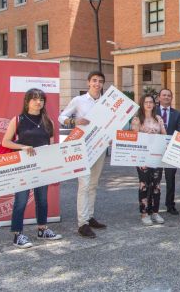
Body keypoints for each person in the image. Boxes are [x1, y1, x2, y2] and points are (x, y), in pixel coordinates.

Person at [2, 88, 62, 248]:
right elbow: (5, 142)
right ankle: (17, 234)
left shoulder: (48, 121)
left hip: (42, 167)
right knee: (21, 201)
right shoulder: (18, 119)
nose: (38, 102)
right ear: (27, 101)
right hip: (23, 167)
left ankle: (42, 229)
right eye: (35, 99)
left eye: (41, 99)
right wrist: (22, 147)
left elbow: (52, 145)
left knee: (42, 199)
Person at [59, 71, 108, 238]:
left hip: (99, 147)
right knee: (84, 184)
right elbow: (61, 117)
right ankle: (82, 223)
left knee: (93, 184)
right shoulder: (78, 101)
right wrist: (74, 121)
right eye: (94, 81)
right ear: (88, 82)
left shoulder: (105, 102)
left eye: (100, 81)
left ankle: (90, 216)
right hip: (82, 148)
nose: (97, 84)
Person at [131, 94, 167, 226]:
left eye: (151, 102)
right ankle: (144, 213)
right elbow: (134, 139)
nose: (149, 104)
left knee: (156, 185)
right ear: (142, 104)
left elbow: (164, 135)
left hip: (157, 157)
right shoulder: (137, 119)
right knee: (144, 184)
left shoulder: (158, 118)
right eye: (146, 102)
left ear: (154, 104)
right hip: (143, 158)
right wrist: (146, 135)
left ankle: (155, 212)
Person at [156, 88, 180, 215]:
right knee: (154, 179)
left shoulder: (177, 114)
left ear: (171, 98)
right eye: (164, 95)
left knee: (170, 179)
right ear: (159, 97)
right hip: (154, 150)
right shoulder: (152, 112)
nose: (166, 97)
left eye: (169, 95)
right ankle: (152, 205)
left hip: (171, 151)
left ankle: (170, 205)